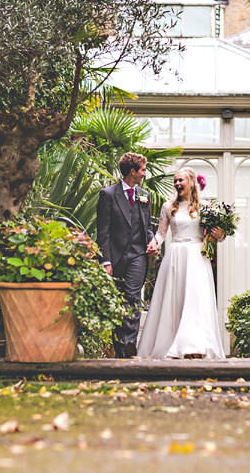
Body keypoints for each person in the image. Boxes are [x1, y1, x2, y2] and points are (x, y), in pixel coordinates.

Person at [137, 167, 226, 359]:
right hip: (175, 255)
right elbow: (161, 233)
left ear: (191, 182)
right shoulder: (168, 207)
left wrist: (220, 236)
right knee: (174, 299)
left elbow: (216, 235)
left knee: (195, 301)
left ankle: (196, 347)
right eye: (175, 181)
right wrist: (153, 244)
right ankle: (172, 344)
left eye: (181, 180)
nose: (177, 184)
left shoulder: (206, 208)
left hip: (197, 257)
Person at [96, 152, 158, 359]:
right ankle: (120, 349)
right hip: (116, 258)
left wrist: (151, 241)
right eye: (142, 170)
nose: (144, 174)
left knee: (132, 299)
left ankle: (130, 347)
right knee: (118, 302)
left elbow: (147, 226)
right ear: (132, 171)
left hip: (138, 256)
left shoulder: (144, 195)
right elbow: (103, 231)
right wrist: (105, 261)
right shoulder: (108, 194)